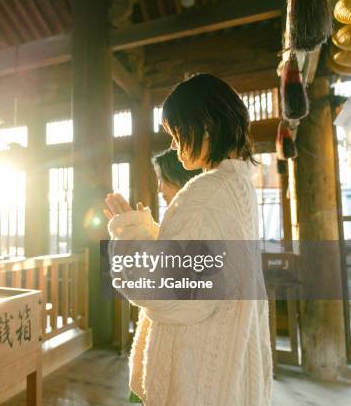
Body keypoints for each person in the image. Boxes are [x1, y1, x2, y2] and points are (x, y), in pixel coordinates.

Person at [104, 73, 272, 406]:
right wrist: (151, 232)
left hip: (197, 375)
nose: (175, 146)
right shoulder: (238, 187)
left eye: (177, 132)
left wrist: (129, 232)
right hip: (229, 368)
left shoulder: (205, 193)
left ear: (205, 124)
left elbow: (169, 293)